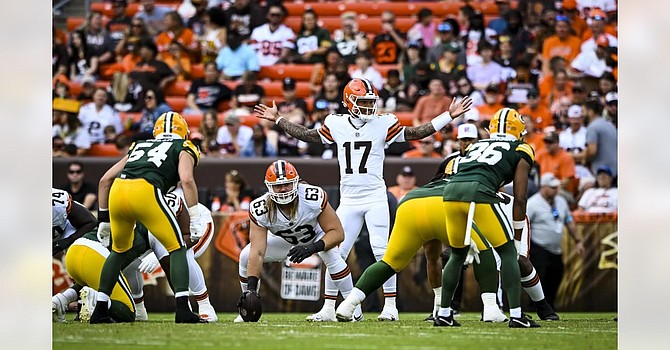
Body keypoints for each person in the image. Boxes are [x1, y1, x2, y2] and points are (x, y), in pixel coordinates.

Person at [255, 78, 473, 321]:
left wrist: (447, 116)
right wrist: (278, 119)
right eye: (364, 101)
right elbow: (308, 135)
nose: (369, 107)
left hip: (375, 196)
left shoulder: (383, 123)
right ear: (349, 102)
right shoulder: (336, 123)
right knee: (336, 252)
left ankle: (390, 306)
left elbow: (415, 133)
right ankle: (329, 307)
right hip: (349, 198)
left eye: (371, 102)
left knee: (383, 252)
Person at [88, 111, 205, 324]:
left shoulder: (138, 145)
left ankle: (100, 309)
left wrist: (103, 220)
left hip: (117, 192)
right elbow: (187, 180)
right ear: (185, 132)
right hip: (146, 191)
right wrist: (195, 216)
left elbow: (105, 180)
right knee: (177, 247)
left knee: (118, 251)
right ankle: (183, 309)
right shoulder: (185, 146)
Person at [437, 107, 540, 328]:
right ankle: (516, 315)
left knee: (457, 254)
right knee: (508, 251)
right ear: (519, 129)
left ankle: (444, 313)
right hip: (479, 193)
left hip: (451, 192)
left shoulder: (477, 144)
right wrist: (518, 234)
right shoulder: (521, 147)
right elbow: (520, 198)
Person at [236, 160, 361, 322]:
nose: (283, 190)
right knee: (246, 256)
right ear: (269, 187)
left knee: (332, 255)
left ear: (296, 183)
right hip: (285, 241)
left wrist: (311, 248)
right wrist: (252, 289)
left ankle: (354, 310)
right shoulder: (260, 208)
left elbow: (337, 233)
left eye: (287, 184)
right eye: (278, 186)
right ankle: (247, 305)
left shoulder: (312, 197)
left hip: (314, 237)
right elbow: (257, 251)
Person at [527, 173, 585, 309]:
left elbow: (569, 221)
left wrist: (578, 240)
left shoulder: (561, 201)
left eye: (556, 187)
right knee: (539, 278)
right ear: (543, 187)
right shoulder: (533, 203)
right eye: (552, 187)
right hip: (538, 247)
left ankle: (550, 306)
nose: (556, 190)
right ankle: (534, 307)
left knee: (555, 277)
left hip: (556, 249)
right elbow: (524, 224)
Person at [584, 99, 617, 178]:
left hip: (603, 174)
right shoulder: (609, 125)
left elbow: (592, 151)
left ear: (590, 112)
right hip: (616, 171)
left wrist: (584, 159)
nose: (582, 114)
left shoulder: (593, 127)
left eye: (583, 111)